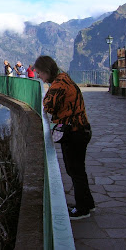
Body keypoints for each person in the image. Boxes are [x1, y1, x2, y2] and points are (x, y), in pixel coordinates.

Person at [34, 55, 94, 220]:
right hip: (82, 129)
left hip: (74, 132)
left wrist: (47, 98)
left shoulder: (58, 85)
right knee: (79, 170)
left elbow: (48, 105)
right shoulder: (64, 78)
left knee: (74, 170)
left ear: (46, 71)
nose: (38, 76)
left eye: (39, 73)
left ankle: (82, 209)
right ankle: (88, 203)